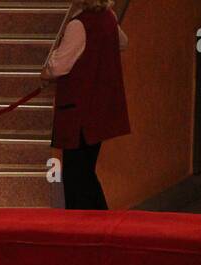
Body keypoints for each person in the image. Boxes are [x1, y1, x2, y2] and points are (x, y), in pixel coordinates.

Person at [41, 0, 130, 210]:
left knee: (76, 177)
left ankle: (86, 226)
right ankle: (101, 222)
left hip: (79, 112)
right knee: (85, 172)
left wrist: (44, 72)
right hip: (99, 111)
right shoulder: (109, 18)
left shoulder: (79, 25)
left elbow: (58, 66)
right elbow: (123, 42)